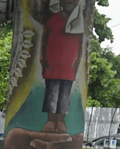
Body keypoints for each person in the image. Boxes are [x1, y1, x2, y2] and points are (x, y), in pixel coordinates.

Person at [40, 0, 85, 134]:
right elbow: (44, 39)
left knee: (65, 92)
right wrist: (42, 57)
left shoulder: (78, 22)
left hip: (69, 65)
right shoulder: (54, 19)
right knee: (51, 91)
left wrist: (78, 60)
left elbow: (82, 44)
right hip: (52, 62)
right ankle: (51, 119)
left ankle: (60, 120)